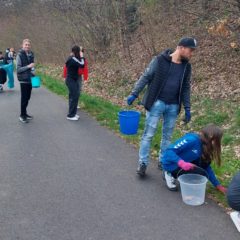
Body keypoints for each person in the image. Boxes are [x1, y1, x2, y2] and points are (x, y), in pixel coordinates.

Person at [127, 37, 197, 176]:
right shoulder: (160, 60)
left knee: (167, 136)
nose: (192, 54)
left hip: (173, 106)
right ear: (181, 47)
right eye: (191, 50)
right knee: (148, 135)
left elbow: (185, 88)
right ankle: (143, 163)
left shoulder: (186, 67)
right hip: (156, 103)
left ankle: (163, 160)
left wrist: (187, 107)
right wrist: (134, 93)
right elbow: (146, 77)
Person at [161, 124, 227, 192]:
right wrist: (182, 163)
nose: (218, 142)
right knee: (197, 176)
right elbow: (168, 152)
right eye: (217, 139)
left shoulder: (206, 147)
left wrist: (218, 185)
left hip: (185, 163)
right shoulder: (192, 140)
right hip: (171, 164)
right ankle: (169, 173)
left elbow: (206, 167)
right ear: (211, 137)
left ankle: (177, 175)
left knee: (203, 173)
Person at [16, 39, 35, 123]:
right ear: (22, 45)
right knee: (24, 98)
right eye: (25, 45)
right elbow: (18, 69)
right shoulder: (19, 55)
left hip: (30, 79)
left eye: (28, 45)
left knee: (28, 97)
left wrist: (33, 71)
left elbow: (32, 67)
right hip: (23, 80)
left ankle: (25, 113)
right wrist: (28, 66)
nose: (27, 46)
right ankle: (22, 115)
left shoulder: (31, 54)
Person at [65, 45, 85, 121]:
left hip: (73, 80)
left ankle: (73, 113)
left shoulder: (73, 57)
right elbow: (82, 65)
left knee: (74, 96)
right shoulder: (72, 58)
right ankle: (70, 115)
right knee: (74, 96)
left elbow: (79, 61)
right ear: (77, 51)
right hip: (70, 80)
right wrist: (82, 56)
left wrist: (81, 55)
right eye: (79, 51)